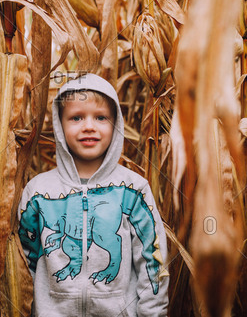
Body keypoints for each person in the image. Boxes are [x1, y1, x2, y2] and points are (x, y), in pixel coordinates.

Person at [18, 73, 169, 317]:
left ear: (115, 124)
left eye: (101, 117)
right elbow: (24, 265)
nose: (89, 126)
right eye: (76, 117)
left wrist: (153, 314)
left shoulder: (133, 188)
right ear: (59, 125)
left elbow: (151, 259)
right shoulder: (37, 192)